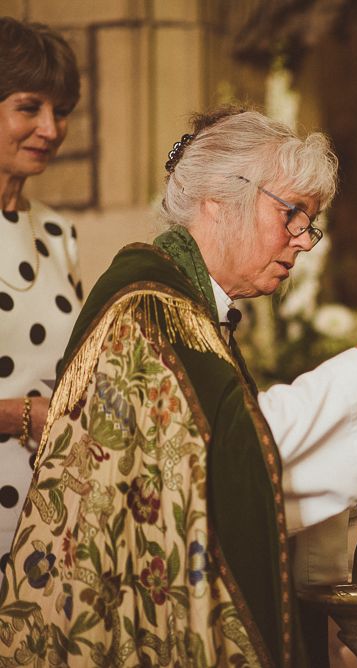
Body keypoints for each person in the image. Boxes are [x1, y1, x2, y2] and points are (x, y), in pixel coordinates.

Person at [0, 107, 357, 667]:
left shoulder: (190, 309)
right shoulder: (149, 309)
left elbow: (236, 470)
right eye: (292, 214)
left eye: (309, 221)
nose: (304, 241)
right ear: (218, 199)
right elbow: (228, 455)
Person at [0, 17, 83, 570]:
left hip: (49, 518)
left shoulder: (58, 232)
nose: (50, 129)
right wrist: (18, 415)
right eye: (30, 107)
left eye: (61, 112)